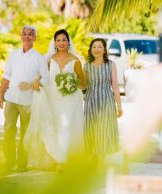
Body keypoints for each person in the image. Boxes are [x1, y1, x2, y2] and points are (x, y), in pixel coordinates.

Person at [24, 29, 86, 170]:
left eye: (64, 40)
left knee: (66, 127)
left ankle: (63, 161)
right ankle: (56, 157)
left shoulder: (75, 61)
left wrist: (71, 83)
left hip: (70, 99)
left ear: (68, 42)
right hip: (52, 97)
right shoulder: (49, 60)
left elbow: (83, 83)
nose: (61, 43)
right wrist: (35, 83)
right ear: (54, 43)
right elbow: (43, 77)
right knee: (55, 126)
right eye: (58, 40)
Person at [0, 25, 49, 172]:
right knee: (8, 130)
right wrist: (1, 95)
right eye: (24, 34)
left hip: (28, 101)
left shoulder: (40, 58)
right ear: (21, 36)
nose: (27, 36)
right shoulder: (13, 55)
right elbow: (6, 76)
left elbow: (46, 79)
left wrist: (31, 85)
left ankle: (22, 162)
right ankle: (9, 161)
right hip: (11, 99)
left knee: (26, 132)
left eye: (30, 34)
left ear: (35, 38)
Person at [83, 38, 123, 166]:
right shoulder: (86, 66)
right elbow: (83, 86)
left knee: (104, 128)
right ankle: (94, 155)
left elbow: (115, 86)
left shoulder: (111, 64)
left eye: (100, 46)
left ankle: (100, 158)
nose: (96, 49)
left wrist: (119, 106)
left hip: (106, 100)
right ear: (90, 49)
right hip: (90, 101)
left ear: (105, 50)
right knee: (91, 128)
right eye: (94, 46)